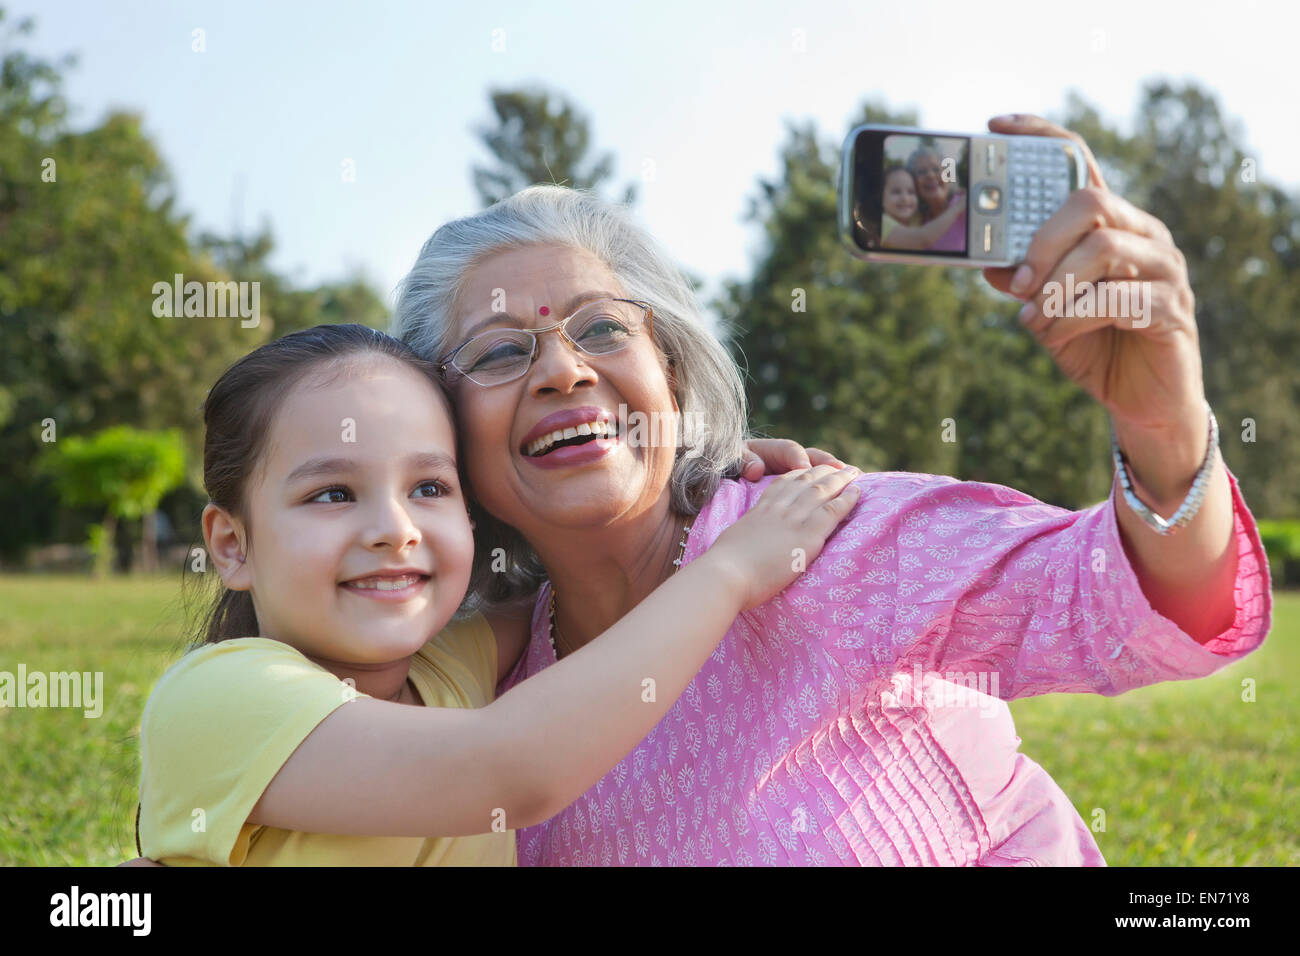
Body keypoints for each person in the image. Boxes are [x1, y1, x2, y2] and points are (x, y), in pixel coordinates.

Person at [384, 113, 1272, 866]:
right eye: (501, 350)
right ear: (442, 432)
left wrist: (1163, 426)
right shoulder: (492, 703)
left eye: (604, 327)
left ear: (675, 376)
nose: (563, 369)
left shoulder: (816, 533)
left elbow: (1126, 606)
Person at [135, 323, 861, 865]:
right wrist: (731, 570)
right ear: (231, 544)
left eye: (428, 487)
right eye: (332, 493)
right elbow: (509, 769)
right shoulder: (219, 697)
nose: (395, 530)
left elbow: (598, 581)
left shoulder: (451, 663)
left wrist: (683, 485)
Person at [880, 164, 966, 250]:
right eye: (896, 192)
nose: (905, 198)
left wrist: (955, 193)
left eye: (911, 192)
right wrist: (957, 208)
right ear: (881, 197)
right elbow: (922, 239)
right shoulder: (883, 222)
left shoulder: (916, 218)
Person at [908, 144, 967, 252]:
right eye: (922, 172)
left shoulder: (965, 204)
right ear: (913, 183)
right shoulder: (916, 220)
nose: (930, 175)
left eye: (936, 169)